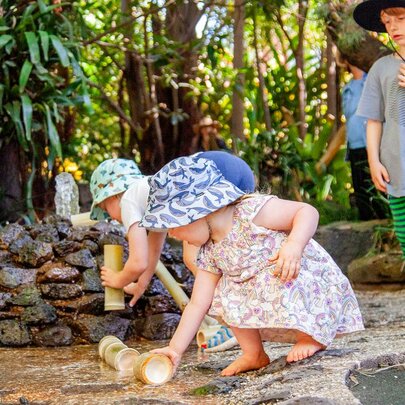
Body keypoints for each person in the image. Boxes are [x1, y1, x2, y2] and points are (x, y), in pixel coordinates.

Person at [139, 156, 364, 376]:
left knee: (277, 269)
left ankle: (310, 336)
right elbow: (198, 304)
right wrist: (175, 348)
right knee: (223, 293)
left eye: (173, 225)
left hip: (301, 274)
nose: (171, 234)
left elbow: (306, 211)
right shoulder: (210, 252)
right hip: (271, 284)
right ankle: (254, 353)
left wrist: (294, 246)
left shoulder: (250, 212)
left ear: (197, 213)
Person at [89, 152, 255, 305]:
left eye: (105, 208)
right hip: (234, 169)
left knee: (194, 259)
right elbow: (153, 251)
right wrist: (141, 285)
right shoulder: (151, 194)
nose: (109, 217)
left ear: (114, 195)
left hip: (208, 172)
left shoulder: (127, 200)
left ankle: (227, 307)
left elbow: (138, 262)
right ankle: (244, 301)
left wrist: (118, 279)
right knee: (231, 249)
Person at [353, 1, 405, 259]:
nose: (393, 27)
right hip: (398, 170)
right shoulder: (381, 68)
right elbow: (374, 119)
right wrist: (374, 161)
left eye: (400, 18)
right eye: (387, 22)